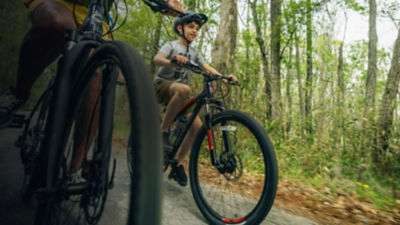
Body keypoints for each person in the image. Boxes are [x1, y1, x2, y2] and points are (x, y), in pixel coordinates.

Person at [0, 0, 184, 178]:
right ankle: (19, 93)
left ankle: (76, 168)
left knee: (98, 69)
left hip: (96, 13)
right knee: (54, 24)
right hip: (61, 2)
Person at [153, 11, 238, 186]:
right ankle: (163, 131)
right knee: (185, 89)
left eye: (197, 28)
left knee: (198, 128)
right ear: (179, 28)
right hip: (162, 87)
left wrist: (224, 78)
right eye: (191, 26)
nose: (195, 31)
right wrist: (172, 61)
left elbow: (207, 67)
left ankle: (177, 163)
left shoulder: (194, 52)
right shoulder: (171, 45)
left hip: (179, 96)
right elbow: (157, 59)